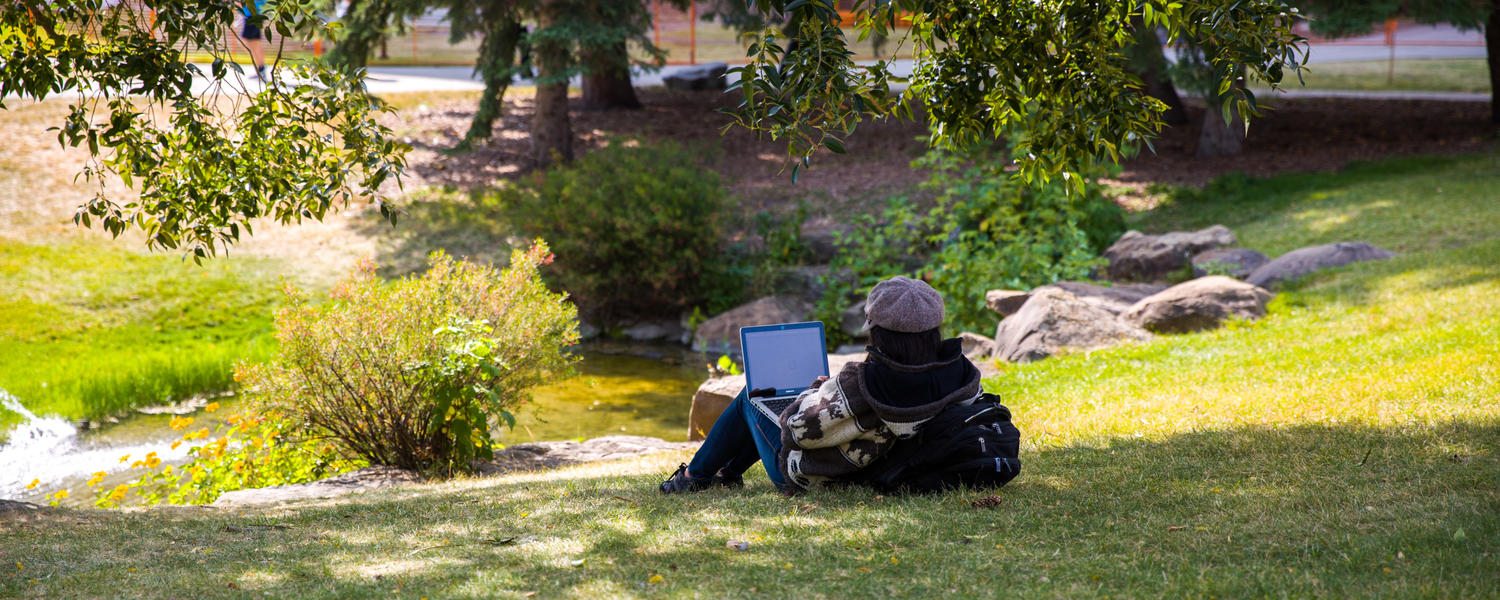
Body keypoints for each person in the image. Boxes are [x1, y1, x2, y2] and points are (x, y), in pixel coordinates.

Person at [660, 276, 982, 494]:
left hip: (822, 476)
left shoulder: (865, 381)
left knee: (751, 397)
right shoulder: (959, 371)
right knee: (756, 404)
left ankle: (695, 477)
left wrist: (814, 393)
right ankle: (725, 475)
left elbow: (796, 429)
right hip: (890, 465)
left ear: (878, 332)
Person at [237, 0, 271, 80]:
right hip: (255, 16)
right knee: (256, 43)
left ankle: (260, 67)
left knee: (244, 41)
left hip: (252, 17)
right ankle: (261, 69)